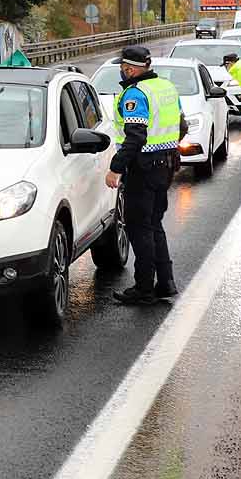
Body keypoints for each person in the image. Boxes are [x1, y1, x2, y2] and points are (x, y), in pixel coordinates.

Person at [105, 45, 185, 305]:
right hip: (165, 164)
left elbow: (135, 136)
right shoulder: (166, 87)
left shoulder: (136, 94)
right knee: (154, 224)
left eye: (123, 67)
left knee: (139, 228)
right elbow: (181, 125)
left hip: (143, 167)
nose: (122, 71)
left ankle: (143, 288)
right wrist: (166, 146)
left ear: (129, 68)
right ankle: (165, 282)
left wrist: (116, 166)